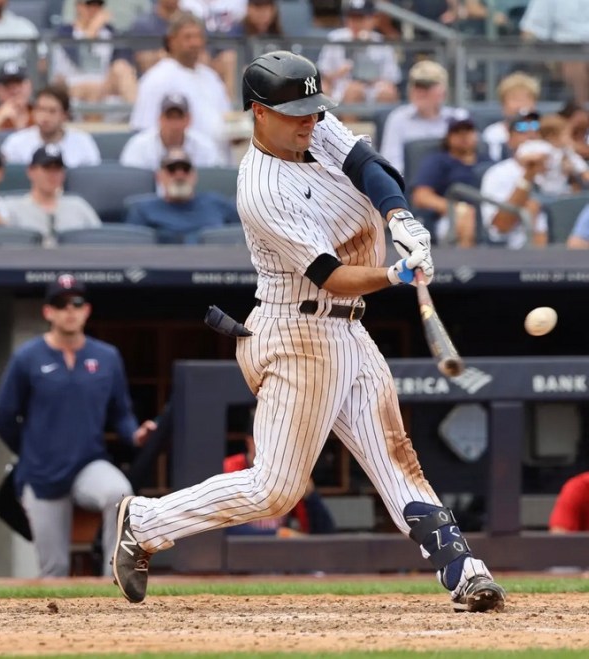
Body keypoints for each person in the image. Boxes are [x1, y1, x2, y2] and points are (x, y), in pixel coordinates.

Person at [110, 50, 506, 614]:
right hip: (297, 332)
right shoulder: (261, 188)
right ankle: (145, 522)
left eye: (315, 109)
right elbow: (330, 275)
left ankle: (464, 571)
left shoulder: (313, 126)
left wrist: (399, 217)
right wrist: (396, 274)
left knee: (396, 456)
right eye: (296, 112)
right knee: (276, 489)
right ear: (258, 112)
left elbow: (371, 166)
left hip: (347, 330)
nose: (311, 121)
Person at [0, 275, 157, 577]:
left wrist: (135, 434)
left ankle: (116, 577)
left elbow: (121, 412)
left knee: (120, 493)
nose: (69, 310)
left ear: (87, 310)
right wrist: (30, 452)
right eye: (60, 304)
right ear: (48, 311)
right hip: (42, 473)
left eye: (76, 303)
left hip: (88, 463)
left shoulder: (107, 357)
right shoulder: (27, 357)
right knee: (54, 568)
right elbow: (3, 418)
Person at [129, 12, 231, 153]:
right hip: (179, 162)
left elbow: (227, 121)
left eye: (198, 37)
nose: (195, 43)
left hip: (217, 159)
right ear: (172, 40)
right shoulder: (157, 78)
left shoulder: (211, 77)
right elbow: (144, 130)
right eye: (188, 37)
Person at [223, 434, 335, 537]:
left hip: (281, 550)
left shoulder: (290, 473)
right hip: (239, 550)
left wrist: (311, 496)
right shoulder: (229, 471)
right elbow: (223, 529)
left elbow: (326, 533)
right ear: (250, 442)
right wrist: (278, 534)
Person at [125, 147, 238, 244]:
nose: (179, 175)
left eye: (186, 169)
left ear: (194, 176)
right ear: (159, 177)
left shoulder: (217, 204)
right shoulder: (143, 211)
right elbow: (133, 249)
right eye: (171, 169)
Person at [410, 116, 490, 247]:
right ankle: (466, 260)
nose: (463, 136)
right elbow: (421, 196)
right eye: (457, 132)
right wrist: (455, 208)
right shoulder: (438, 161)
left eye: (468, 131)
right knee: (467, 214)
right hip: (448, 218)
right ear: (448, 137)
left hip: (488, 212)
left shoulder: (487, 161)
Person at [379, 60, 468, 177]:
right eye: (416, 85)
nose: (420, 91)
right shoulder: (398, 119)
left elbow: (468, 160)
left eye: (427, 87)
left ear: (443, 90)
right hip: (409, 183)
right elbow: (390, 165)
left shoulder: (458, 118)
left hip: (451, 182)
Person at [1, 144, 103, 246]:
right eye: (47, 168)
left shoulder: (78, 205)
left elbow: (100, 239)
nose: (52, 175)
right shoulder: (11, 207)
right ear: (31, 171)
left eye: (57, 169)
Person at [479, 113, 550, 248]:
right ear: (510, 139)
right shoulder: (498, 174)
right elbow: (499, 227)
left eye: (535, 127)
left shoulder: (556, 168)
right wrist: (528, 174)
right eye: (522, 128)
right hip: (512, 252)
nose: (531, 134)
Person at [51, 0, 139, 107]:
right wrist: (93, 29)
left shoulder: (110, 33)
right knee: (92, 91)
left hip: (104, 85)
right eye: (89, 5)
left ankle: (138, 110)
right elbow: (81, 61)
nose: (94, 9)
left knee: (121, 67)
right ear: (78, 6)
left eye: (98, 5)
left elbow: (124, 61)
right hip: (73, 84)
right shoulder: (65, 32)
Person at [316, 0, 401, 108]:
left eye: (360, 18)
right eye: (352, 17)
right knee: (353, 91)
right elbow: (323, 74)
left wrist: (373, 77)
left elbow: (393, 77)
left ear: (372, 19)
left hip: (374, 89)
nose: (355, 23)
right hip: (341, 88)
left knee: (388, 93)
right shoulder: (336, 38)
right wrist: (339, 72)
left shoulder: (381, 42)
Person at [119, 92, 226, 170]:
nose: (174, 124)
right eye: (169, 117)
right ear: (160, 119)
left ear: (188, 120)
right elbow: (129, 181)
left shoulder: (204, 147)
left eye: (179, 117)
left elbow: (216, 178)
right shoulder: (139, 146)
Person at [0, 86, 102, 168]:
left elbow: (93, 177)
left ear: (64, 115)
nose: (45, 117)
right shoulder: (16, 142)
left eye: (52, 111)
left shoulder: (83, 141)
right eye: (41, 109)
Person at [482, 72, 541, 162]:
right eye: (515, 99)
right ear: (503, 104)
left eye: (526, 99)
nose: (520, 105)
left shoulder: (543, 130)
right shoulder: (493, 133)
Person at [0, 60, 36, 134]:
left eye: (18, 84)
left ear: (28, 86)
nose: (14, 91)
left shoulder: (39, 113)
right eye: (7, 86)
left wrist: (20, 125)